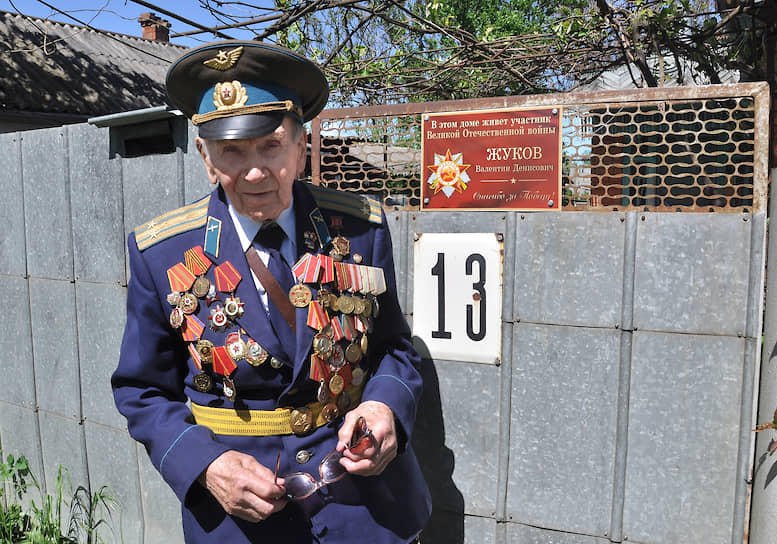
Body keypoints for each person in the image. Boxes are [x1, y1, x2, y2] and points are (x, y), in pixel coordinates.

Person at [111, 40, 431, 543]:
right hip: (240, 525)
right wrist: (206, 465)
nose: (254, 171)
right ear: (205, 155)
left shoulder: (361, 228)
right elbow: (142, 389)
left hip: (365, 512)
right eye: (232, 151)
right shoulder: (162, 253)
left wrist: (384, 407)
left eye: (271, 145)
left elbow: (393, 348)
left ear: (302, 144)